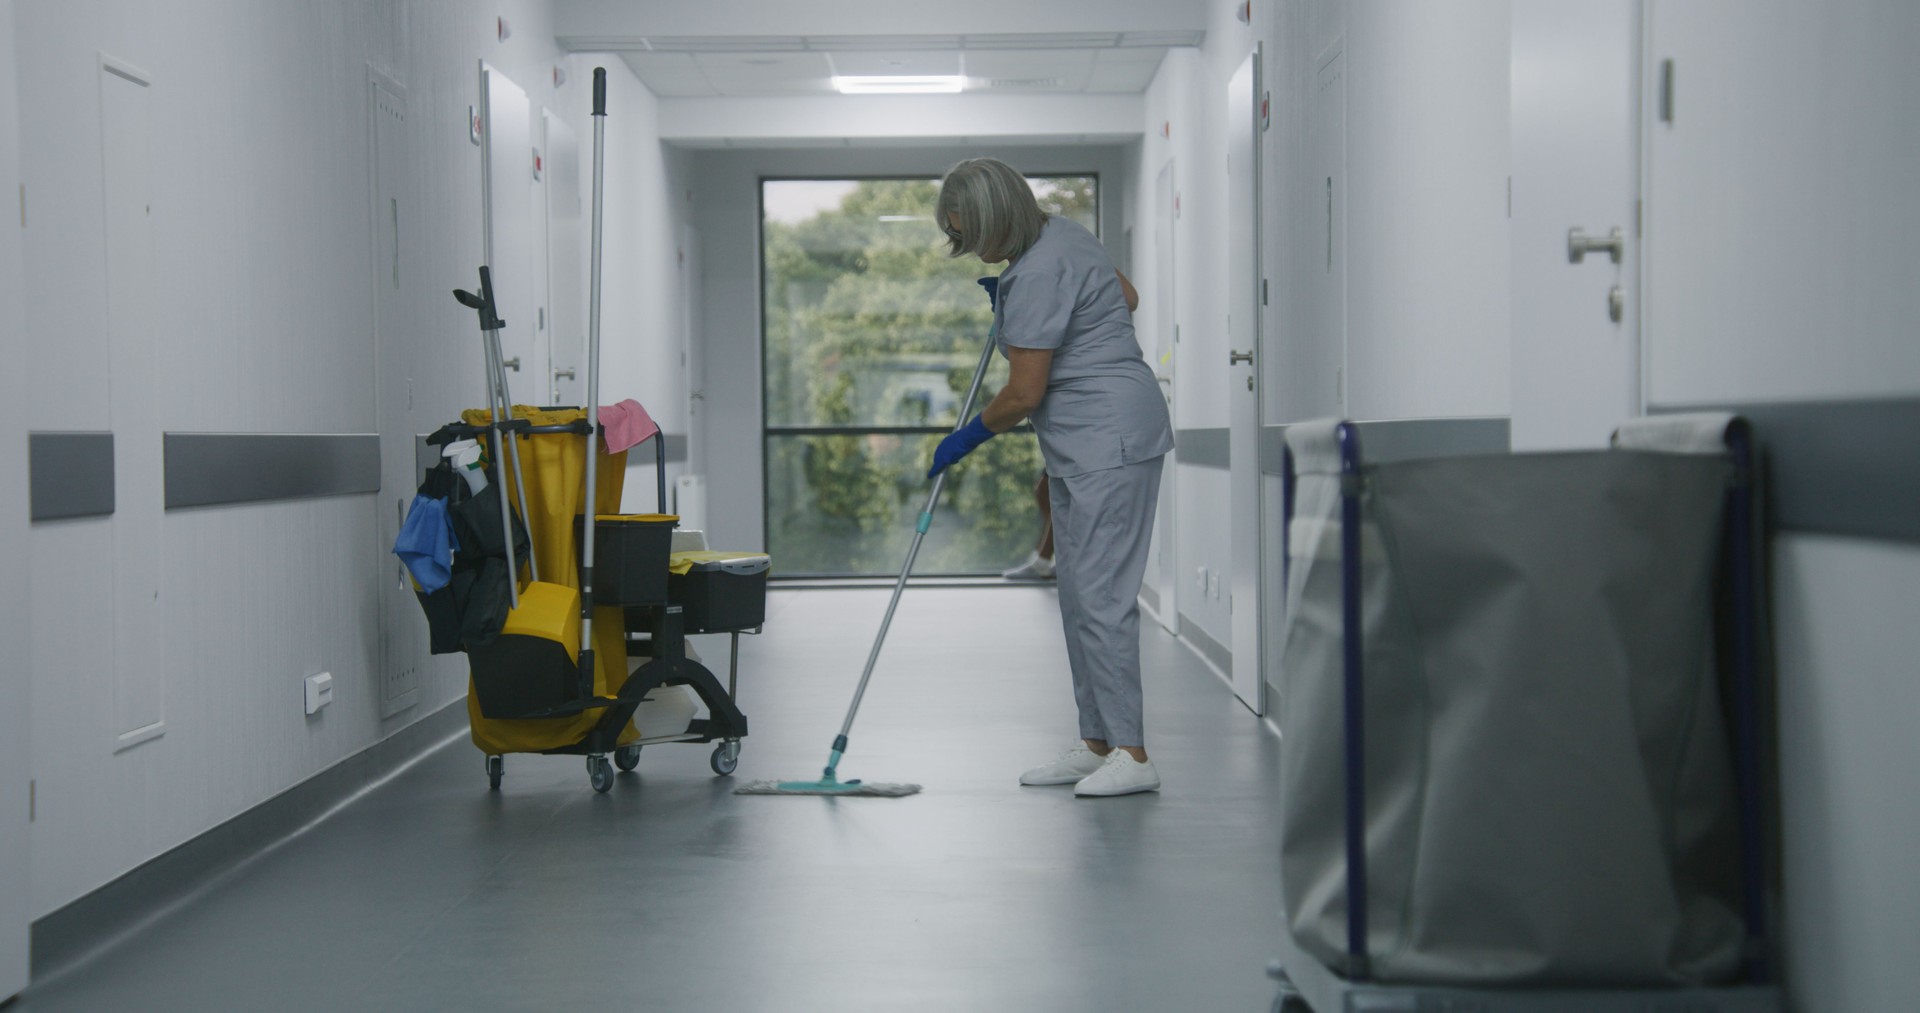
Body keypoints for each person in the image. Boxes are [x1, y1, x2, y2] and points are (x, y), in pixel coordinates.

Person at [927, 157, 1173, 797]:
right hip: (1087, 439)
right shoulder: (1064, 236)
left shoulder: (1036, 271)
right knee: (1077, 593)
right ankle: (1097, 742)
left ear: (996, 217)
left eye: (972, 232)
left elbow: (1023, 394)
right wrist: (1023, 299)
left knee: (1101, 596)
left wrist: (967, 436)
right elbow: (1126, 296)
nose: (970, 248)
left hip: (1107, 438)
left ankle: (1133, 753)